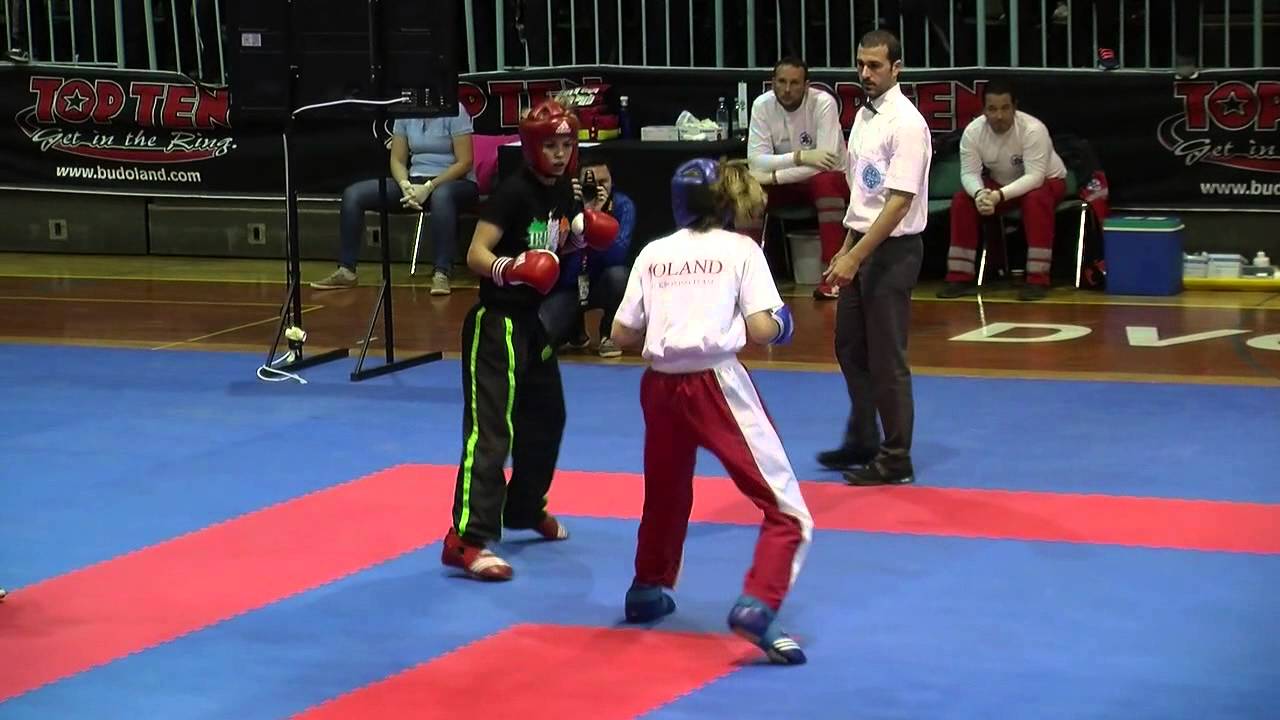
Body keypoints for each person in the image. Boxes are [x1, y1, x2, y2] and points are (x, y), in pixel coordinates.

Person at [609, 157, 814, 666]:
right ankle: (759, 604)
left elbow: (621, 334)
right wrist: (784, 323)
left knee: (666, 492)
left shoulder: (654, 252)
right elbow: (763, 330)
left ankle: (647, 587)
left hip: (659, 386)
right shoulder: (740, 249)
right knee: (787, 509)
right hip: (715, 384)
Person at [442, 100, 618, 581]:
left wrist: (582, 236)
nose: (560, 154)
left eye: (566, 144)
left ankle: (522, 507)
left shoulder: (562, 188)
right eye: (551, 145)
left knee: (546, 417)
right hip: (495, 323)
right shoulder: (513, 192)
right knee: (491, 431)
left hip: (532, 323)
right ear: (533, 147)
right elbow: (475, 253)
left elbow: (557, 243)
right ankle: (465, 539)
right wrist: (510, 268)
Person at [819, 30, 931, 486]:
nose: (865, 73)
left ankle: (896, 457)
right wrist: (846, 249)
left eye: (875, 66)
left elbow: (899, 203)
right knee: (849, 346)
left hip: (893, 251)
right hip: (863, 244)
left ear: (897, 68)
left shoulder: (907, 123)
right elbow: (864, 197)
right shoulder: (864, 116)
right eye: (861, 64)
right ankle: (864, 437)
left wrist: (856, 256)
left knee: (887, 358)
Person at [311, 106, 479, 296]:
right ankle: (346, 270)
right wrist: (405, 184)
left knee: (442, 196)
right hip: (414, 182)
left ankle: (442, 272)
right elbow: (398, 160)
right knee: (353, 194)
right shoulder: (406, 112)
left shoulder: (455, 110)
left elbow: (465, 162)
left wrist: (429, 187)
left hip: (455, 183)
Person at [936, 79, 1068, 302]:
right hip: (1002, 185)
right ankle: (959, 277)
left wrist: (999, 196)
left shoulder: (1033, 129)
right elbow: (969, 173)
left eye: (1005, 108)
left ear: (1015, 107)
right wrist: (980, 194)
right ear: (984, 110)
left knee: (1035, 199)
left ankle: (1038, 279)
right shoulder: (972, 132)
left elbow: (1035, 177)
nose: (999, 116)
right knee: (962, 200)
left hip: (1047, 182)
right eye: (992, 109)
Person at [741, 56, 849, 300]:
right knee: (748, 188)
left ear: (806, 85)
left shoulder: (824, 103)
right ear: (772, 83)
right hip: (790, 183)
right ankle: (745, 277)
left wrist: (774, 176)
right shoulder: (762, 105)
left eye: (794, 83)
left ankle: (833, 279)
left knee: (825, 181)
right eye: (781, 82)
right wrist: (800, 157)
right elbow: (756, 162)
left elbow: (827, 163)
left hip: (828, 182)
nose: (787, 89)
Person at [539, 152, 636, 358]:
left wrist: (597, 218)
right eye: (590, 183)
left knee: (620, 276)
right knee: (543, 336)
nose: (597, 188)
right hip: (569, 286)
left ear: (612, 182)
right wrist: (578, 212)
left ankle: (608, 334)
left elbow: (618, 256)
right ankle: (575, 330)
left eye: (603, 182)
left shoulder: (623, 205)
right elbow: (554, 256)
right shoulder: (564, 204)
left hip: (602, 283)